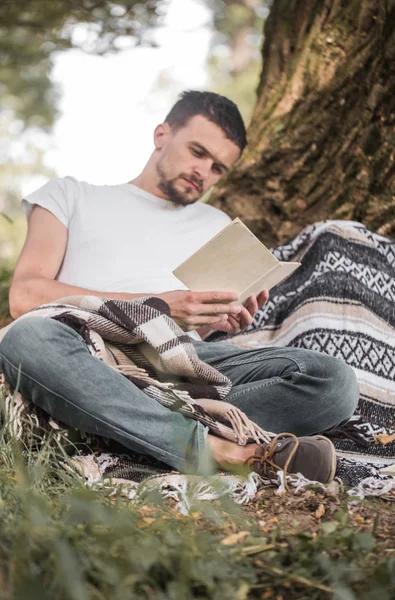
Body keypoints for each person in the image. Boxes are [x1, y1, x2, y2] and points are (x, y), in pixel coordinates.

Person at [0, 91, 359, 483]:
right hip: (85, 348)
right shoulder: (70, 195)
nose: (203, 171)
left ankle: (112, 425)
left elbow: (192, 340)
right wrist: (157, 307)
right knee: (28, 339)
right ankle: (217, 449)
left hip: (178, 365)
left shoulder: (216, 224)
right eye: (197, 152)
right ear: (161, 135)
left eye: (218, 168)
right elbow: (25, 297)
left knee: (332, 382)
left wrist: (217, 318)